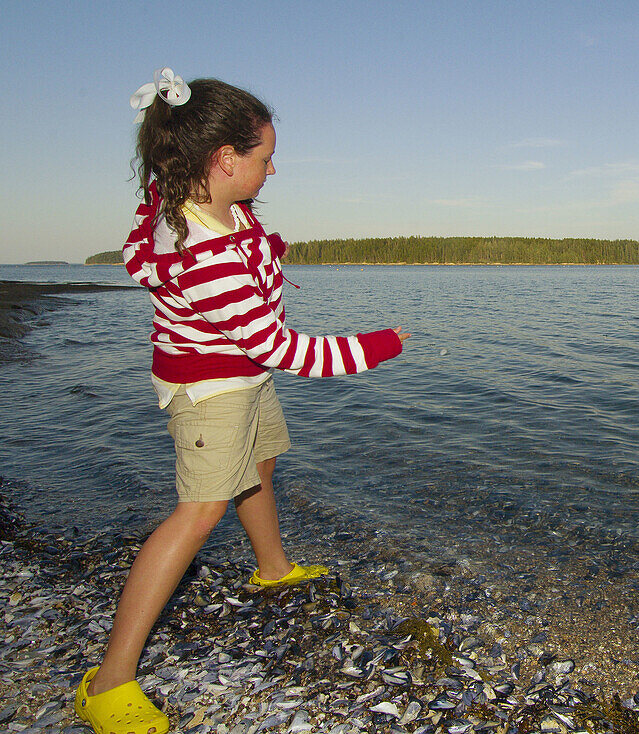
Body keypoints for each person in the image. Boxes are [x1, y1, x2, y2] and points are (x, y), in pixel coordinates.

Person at [74, 68, 409, 734]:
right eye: (264, 157)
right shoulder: (204, 251)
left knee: (259, 467)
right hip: (212, 387)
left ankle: (273, 569)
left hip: (242, 375)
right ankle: (108, 684)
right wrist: (374, 347)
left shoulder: (202, 197)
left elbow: (258, 345)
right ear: (224, 160)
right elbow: (282, 346)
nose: (274, 169)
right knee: (198, 514)